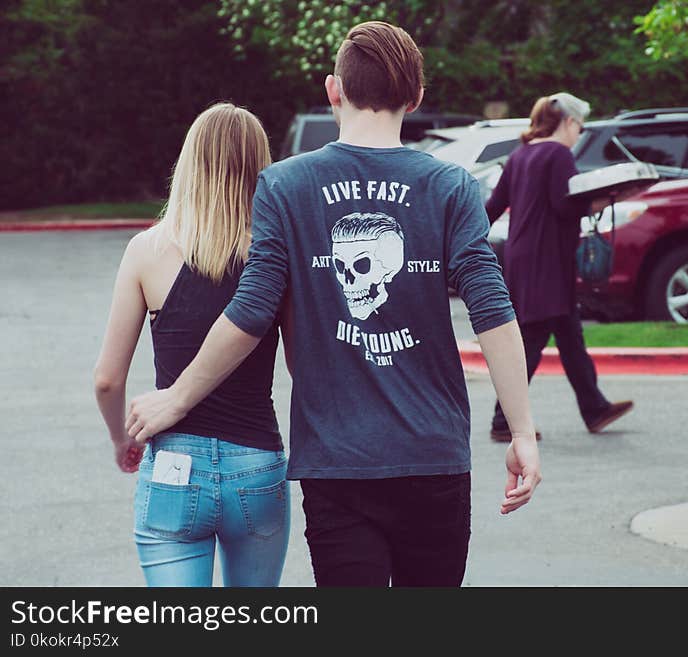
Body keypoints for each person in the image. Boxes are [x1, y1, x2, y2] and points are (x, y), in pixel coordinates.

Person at [123, 21, 541, 587]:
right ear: (415, 97)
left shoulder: (285, 186)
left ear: (333, 89)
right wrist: (520, 430)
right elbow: (492, 310)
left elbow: (251, 311)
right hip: (434, 456)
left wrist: (177, 398)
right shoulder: (451, 187)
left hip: (336, 463)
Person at [94, 103, 291, 586]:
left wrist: (123, 439)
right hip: (257, 466)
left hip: (175, 465)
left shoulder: (148, 250)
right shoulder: (272, 253)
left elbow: (107, 379)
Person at [485, 92, 634, 442]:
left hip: (525, 260)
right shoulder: (557, 154)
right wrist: (603, 201)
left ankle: (595, 407)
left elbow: (493, 206)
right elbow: (564, 207)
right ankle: (502, 421)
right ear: (568, 122)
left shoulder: (520, 155)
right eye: (579, 127)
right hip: (548, 263)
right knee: (533, 340)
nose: (579, 135)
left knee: (570, 337)